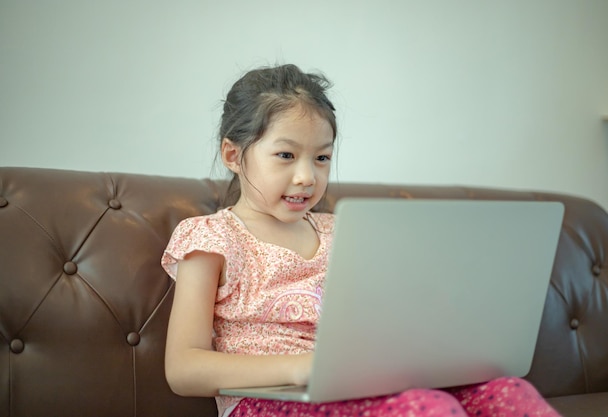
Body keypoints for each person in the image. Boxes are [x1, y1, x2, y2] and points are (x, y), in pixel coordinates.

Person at [161, 63, 561, 417]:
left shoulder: (342, 231)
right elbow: (184, 369)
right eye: (286, 156)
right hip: (264, 402)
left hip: (358, 390)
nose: (307, 176)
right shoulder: (211, 237)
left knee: (508, 393)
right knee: (428, 409)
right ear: (233, 155)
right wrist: (303, 365)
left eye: (321, 158)